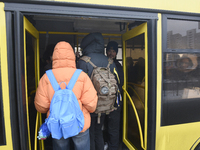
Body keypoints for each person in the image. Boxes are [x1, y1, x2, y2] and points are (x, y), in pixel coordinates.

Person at [34, 41, 98, 150]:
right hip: (79, 123)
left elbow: (41, 106)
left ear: (54, 56)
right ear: (72, 56)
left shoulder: (46, 77)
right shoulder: (81, 76)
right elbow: (92, 105)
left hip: (57, 124)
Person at [77, 33, 118, 150]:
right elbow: (118, 82)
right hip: (105, 104)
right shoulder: (109, 61)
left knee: (89, 133)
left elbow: (78, 86)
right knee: (99, 131)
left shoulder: (83, 61)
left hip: (88, 106)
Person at [105, 41, 124, 150]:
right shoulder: (103, 63)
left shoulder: (118, 66)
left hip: (115, 102)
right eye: (109, 51)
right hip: (103, 101)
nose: (111, 53)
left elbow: (121, 85)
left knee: (113, 127)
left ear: (116, 53)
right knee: (107, 126)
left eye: (113, 51)